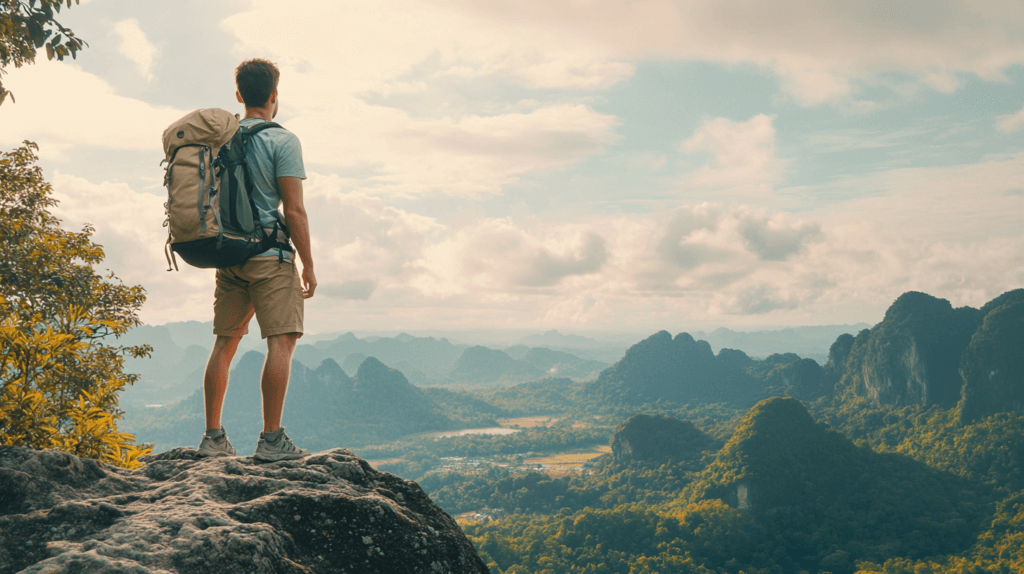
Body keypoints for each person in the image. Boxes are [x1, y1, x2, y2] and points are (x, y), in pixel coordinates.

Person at [196, 58, 317, 461]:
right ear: (273, 95)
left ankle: (212, 438)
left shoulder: (219, 139)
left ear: (238, 95)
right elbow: (294, 211)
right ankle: (271, 441)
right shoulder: (283, 141)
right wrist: (309, 264)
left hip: (228, 255)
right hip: (270, 256)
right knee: (281, 341)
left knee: (224, 343)